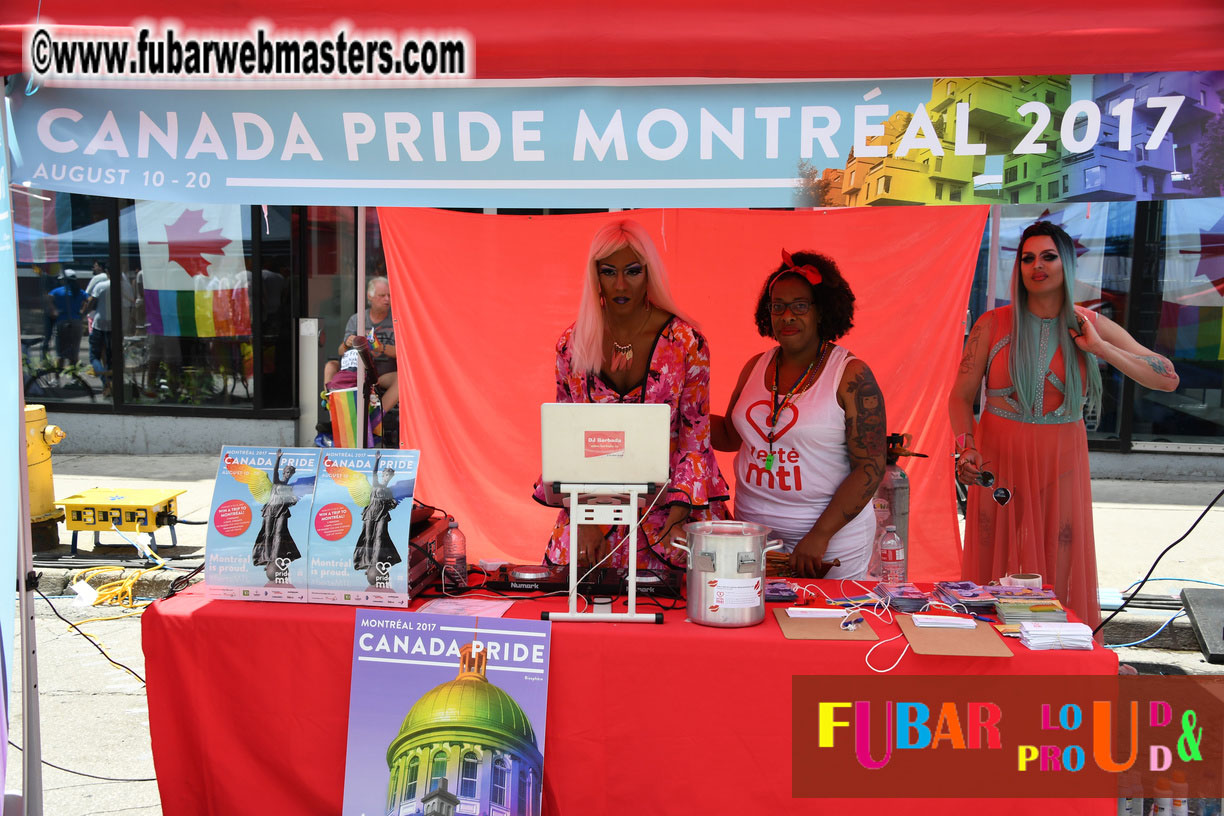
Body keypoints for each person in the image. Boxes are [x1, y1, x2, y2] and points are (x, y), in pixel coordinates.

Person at [948, 221, 1179, 632]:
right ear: (1018, 268)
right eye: (1028, 258)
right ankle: (990, 655)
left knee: (1061, 556)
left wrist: (1100, 347)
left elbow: (1166, 378)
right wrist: (966, 447)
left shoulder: (1088, 323)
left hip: (1061, 459)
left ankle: (1058, 657)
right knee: (990, 555)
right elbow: (961, 397)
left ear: (1067, 264)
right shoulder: (991, 324)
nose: (1038, 266)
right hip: (997, 459)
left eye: (1049, 256)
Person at [533, 219, 730, 570]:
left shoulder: (687, 343)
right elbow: (568, 442)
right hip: (592, 503)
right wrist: (586, 519)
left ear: (649, 273)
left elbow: (694, 439)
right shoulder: (572, 345)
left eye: (633, 271)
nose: (620, 284)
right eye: (609, 272)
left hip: (671, 504)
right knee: (573, 595)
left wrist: (682, 512)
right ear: (595, 275)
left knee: (677, 602)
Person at [711, 251, 886, 579]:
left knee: (825, 629)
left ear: (821, 311)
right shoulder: (755, 366)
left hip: (830, 544)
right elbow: (731, 436)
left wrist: (819, 537)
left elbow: (870, 468)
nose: (787, 316)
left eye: (800, 306)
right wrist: (678, 415)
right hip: (756, 540)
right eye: (778, 306)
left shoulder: (850, 375)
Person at [324, 277, 398, 413]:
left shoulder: (396, 320)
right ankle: (332, 410)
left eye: (389, 295)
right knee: (330, 366)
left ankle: (377, 415)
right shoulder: (356, 319)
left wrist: (380, 347)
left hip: (383, 374)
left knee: (403, 378)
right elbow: (341, 351)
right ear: (369, 296)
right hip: (357, 372)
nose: (387, 299)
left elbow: (403, 354)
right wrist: (347, 343)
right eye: (382, 295)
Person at [251, 449, 303, 582]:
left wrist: (294, 500)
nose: (288, 474)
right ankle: (268, 558)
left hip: (282, 511)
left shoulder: (289, 488)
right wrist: (278, 458)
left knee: (279, 533)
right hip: (270, 509)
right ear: (283, 472)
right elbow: (274, 472)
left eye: (290, 473)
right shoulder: (277, 482)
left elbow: (292, 501)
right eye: (286, 472)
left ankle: (275, 558)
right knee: (268, 534)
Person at [352, 451, 401, 586]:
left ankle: (376, 561)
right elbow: (373, 474)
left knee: (379, 537)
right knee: (368, 537)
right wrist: (377, 460)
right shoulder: (376, 484)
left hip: (383, 514)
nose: (387, 478)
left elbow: (391, 504)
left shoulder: (389, 491)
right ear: (382, 475)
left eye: (389, 476)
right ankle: (368, 562)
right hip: (371, 512)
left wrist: (393, 504)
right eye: (386, 475)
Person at [48, 270, 87, 369]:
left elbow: (48, 299)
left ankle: (57, 378)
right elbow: (89, 300)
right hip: (76, 322)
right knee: (74, 353)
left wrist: (53, 309)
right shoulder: (80, 292)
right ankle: (74, 378)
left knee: (60, 354)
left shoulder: (57, 291)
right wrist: (83, 312)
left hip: (62, 322)